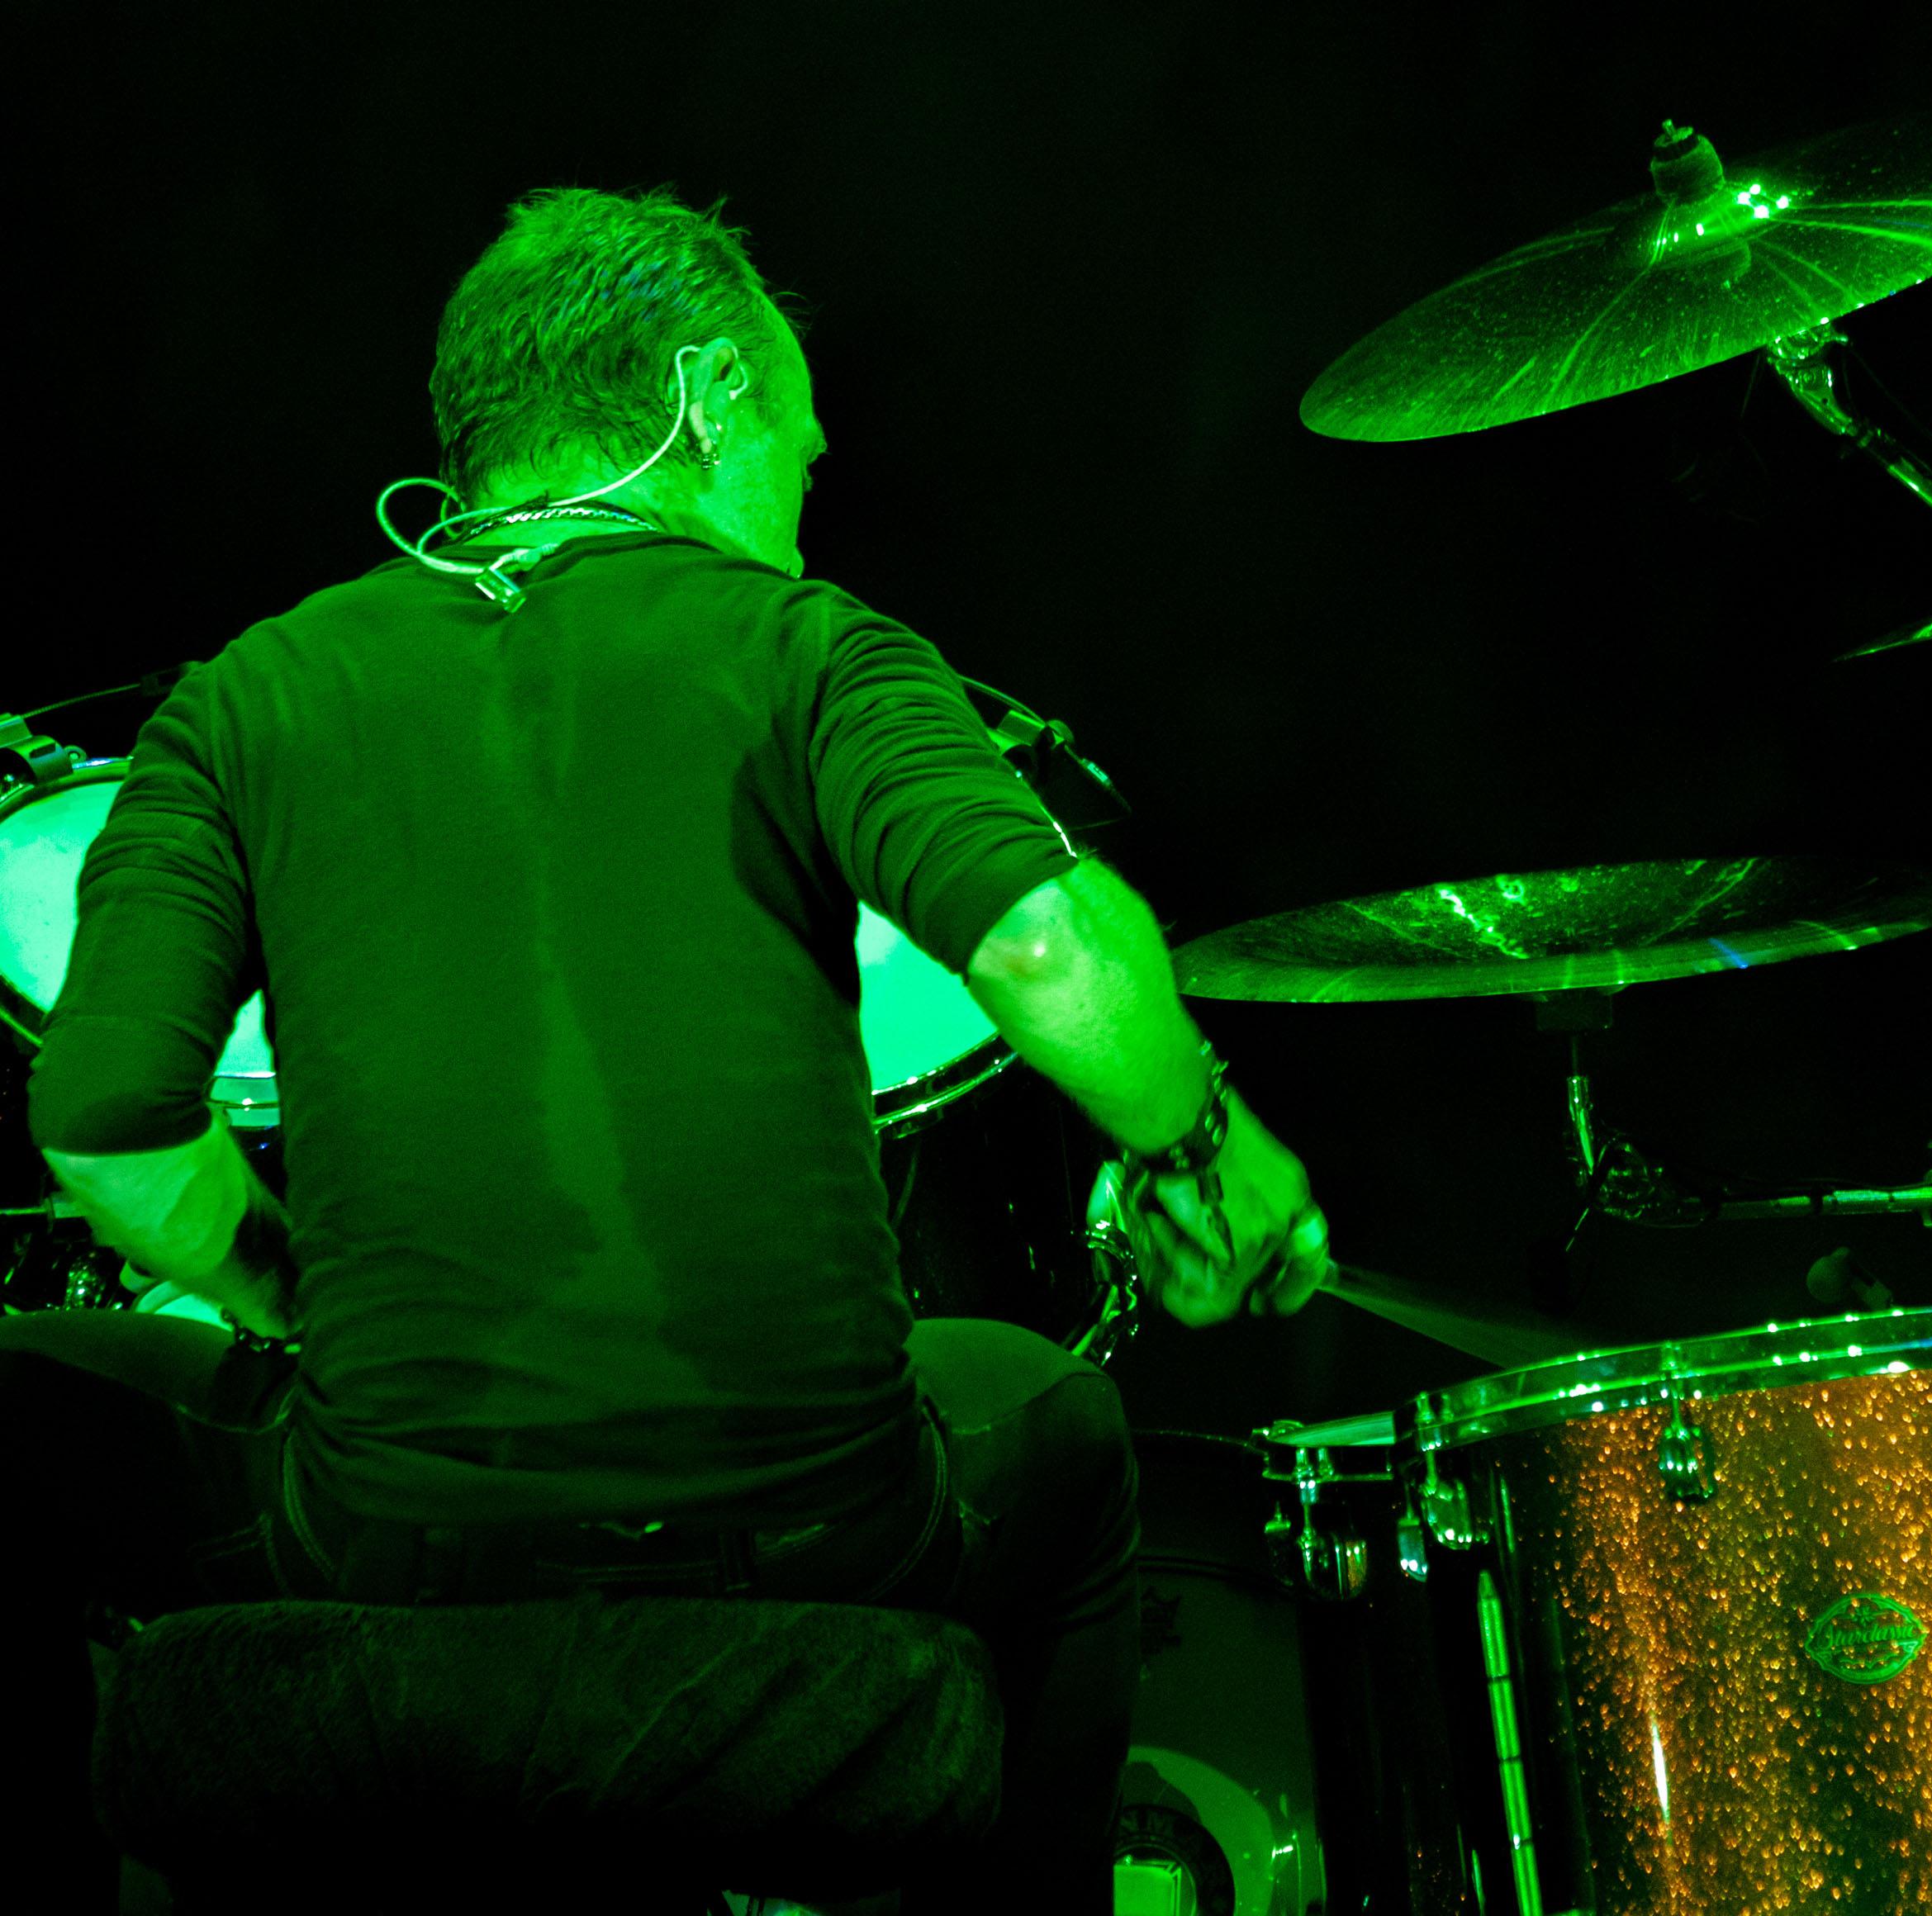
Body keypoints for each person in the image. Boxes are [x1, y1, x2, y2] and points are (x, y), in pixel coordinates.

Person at [0, 185, 1327, 1913]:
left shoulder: (242, 697)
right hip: (823, 1535)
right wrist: (1208, 1153)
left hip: (387, 1536)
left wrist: (283, 1289)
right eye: (798, 453)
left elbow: (103, 1123)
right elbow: (1046, 943)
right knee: (1062, 1421)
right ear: (708, 393)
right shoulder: (811, 644)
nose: (798, 508)